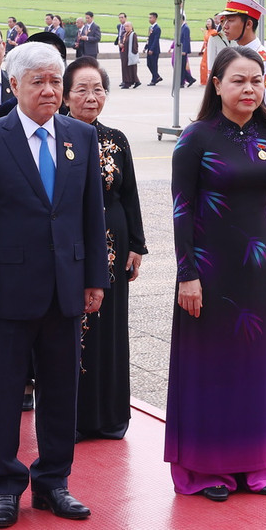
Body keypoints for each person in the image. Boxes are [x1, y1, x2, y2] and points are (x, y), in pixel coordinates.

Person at [0, 42, 109, 528]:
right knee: (2, 394)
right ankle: (4, 484)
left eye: (55, 81)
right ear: (14, 84)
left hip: (65, 288)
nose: (49, 90)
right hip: (5, 293)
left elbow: (91, 214)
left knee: (61, 392)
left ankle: (53, 483)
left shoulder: (79, 138)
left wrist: (94, 279)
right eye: (38, 81)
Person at [166, 45, 266, 503]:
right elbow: (181, 210)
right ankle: (207, 470)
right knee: (211, 370)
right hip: (208, 275)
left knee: (256, 371)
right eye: (239, 80)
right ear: (217, 84)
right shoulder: (196, 137)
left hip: (259, 275)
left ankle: (259, 463)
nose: (249, 89)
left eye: (257, 81)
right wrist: (187, 274)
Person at [63, 56, 146, 441]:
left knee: (110, 328)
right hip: (70, 245)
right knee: (75, 325)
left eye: (98, 89)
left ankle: (112, 416)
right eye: (81, 89)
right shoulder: (55, 136)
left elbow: (129, 196)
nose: (91, 97)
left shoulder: (115, 139)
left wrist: (138, 245)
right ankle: (74, 416)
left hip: (115, 245)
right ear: (65, 96)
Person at [217, 0, 266, 118]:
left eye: (230, 20)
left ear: (248, 24)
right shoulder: (230, 56)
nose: (225, 26)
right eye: (224, 21)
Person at [119, 21, 140, 88]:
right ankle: (135, 81)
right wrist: (121, 45)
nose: (126, 28)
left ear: (131, 27)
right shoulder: (125, 34)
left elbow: (135, 45)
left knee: (130, 68)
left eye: (128, 26)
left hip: (129, 54)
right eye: (125, 26)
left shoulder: (133, 34)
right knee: (126, 68)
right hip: (124, 54)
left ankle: (128, 83)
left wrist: (134, 53)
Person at [145, 12, 163, 86]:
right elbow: (149, 39)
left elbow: (156, 40)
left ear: (155, 18)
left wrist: (152, 49)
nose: (149, 19)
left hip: (154, 50)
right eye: (149, 18)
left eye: (151, 18)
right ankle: (157, 76)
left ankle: (154, 79)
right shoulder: (150, 27)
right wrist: (146, 47)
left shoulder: (157, 28)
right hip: (149, 49)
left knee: (154, 65)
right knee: (149, 64)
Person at [199, 17, 216, 85]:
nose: (208, 23)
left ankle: (208, 81)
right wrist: (201, 50)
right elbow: (204, 42)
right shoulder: (206, 32)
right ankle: (203, 81)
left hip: (211, 51)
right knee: (203, 65)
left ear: (212, 23)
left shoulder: (214, 32)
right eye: (207, 22)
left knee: (209, 65)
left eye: (209, 21)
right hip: (206, 51)